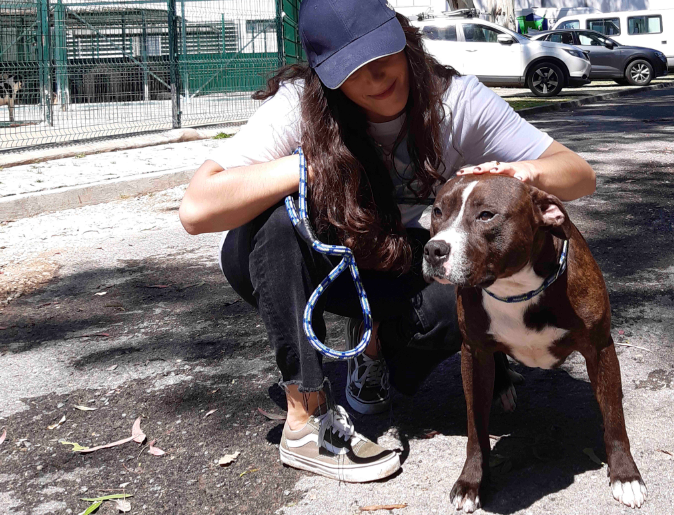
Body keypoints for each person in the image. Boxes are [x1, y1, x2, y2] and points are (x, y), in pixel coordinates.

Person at [178, 0, 595, 483]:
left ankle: (374, 352)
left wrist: (523, 171)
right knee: (262, 228)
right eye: (351, 70)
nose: (375, 77)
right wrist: (306, 169)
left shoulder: (455, 100)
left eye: (382, 54)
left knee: (455, 303)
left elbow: (579, 174)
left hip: (412, 262)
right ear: (324, 76)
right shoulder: (300, 104)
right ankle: (305, 415)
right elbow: (196, 209)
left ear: (405, 39)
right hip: (337, 262)